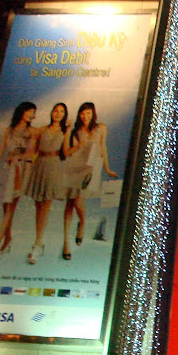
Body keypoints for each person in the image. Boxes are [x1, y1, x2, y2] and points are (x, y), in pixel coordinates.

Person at [62, 102, 118, 259]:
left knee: (78, 200)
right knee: (69, 203)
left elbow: (103, 147)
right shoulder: (77, 131)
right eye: (82, 113)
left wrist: (107, 168)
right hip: (76, 166)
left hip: (93, 167)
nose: (85, 116)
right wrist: (70, 134)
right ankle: (66, 244)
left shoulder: (101, 127)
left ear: (93, 114)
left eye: (88, 113)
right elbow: (69, 152)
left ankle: (82, 223)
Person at [24, 103, 70, 263]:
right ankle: (39, 241)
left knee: (45, 205)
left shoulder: (65, 130)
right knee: (38, 204)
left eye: (61, 111)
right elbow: (33, 149)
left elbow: (66, 152)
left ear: (64, 114)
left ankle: (38, 243)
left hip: (53, 165)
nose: (58, 113)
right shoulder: (42, 129)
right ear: (52, 112)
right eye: (56, 110)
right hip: (40, 165)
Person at [0, 102, 37, 259]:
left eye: (34, 112)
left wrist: (17, 157)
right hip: (7, 168)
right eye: (30, 111)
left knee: (10, 207)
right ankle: (7, 238)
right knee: (5, 207)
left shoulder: (31, 131)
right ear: (22, 111)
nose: (32, 115)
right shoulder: (9, 130)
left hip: (20, 168)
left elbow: (31, 153)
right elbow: (1, 151)